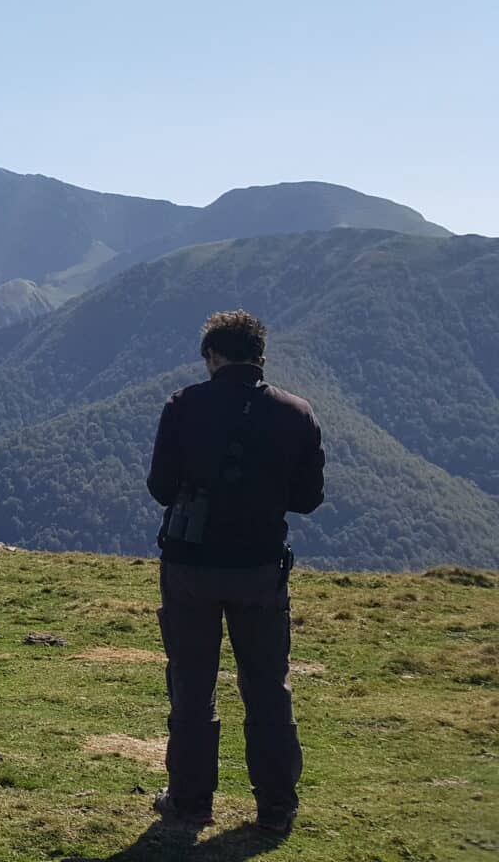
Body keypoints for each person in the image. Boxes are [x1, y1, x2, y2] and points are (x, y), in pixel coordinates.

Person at [146, 310, 325, 837]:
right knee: (268, 686)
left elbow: (160, 487)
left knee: (192, 684)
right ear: (259, 356)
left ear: (212, 356)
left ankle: (191, 801)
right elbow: (309, 499)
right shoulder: (297, 412)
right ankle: (275, 806)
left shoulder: (183, 406)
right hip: (259, 568)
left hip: (189, 566)